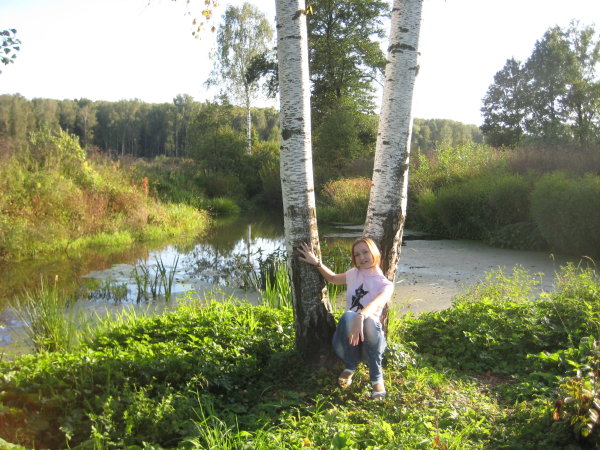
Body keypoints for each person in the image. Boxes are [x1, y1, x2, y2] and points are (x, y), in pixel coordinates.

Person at [298, 237, 394, 399]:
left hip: (369, 347)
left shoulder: (386, 285)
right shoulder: (353, 274)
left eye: (365, 252)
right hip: (346, 345)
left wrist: (361, 316)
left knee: (370, 322)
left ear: (374, 252)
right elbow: (333, 279)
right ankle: (350, 366)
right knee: (349, 316)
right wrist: (316, 262)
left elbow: (377, 303)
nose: (362, 257)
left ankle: (377, 378)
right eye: (357, 254)